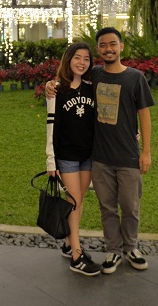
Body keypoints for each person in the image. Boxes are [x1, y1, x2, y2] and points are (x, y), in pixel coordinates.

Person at [46, 27, 154, 274]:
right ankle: (113, 251)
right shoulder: (92, 75)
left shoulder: (134, 77)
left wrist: (145, 151)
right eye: (103, 45)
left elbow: (144, 116)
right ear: (99, 50)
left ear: (121, 46)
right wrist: (49, 87)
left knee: (129, 205)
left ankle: (131, 247)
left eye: (113, 44)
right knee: (105, 207)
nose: (109, 49)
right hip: (99, 157)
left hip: (127, 155)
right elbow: (63, 82)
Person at [46, 42, 102, 276]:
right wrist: (51, 161)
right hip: (66, 156)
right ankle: (77, 255)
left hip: (87, 155)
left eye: (86, 59)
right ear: (68, 60)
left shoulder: (92, 87)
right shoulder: (56, 89)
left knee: (79, 201)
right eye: (77, 57)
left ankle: (69, 243)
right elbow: (51, 127)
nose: (81, 62)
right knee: (74, 201)